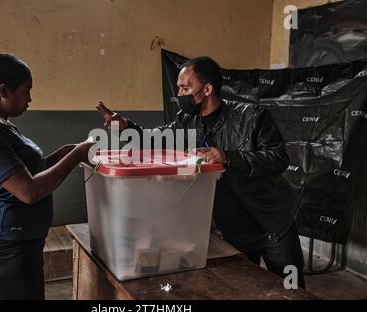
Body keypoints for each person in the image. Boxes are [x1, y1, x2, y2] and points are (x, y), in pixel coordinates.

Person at [95, 56, 306, 288]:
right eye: (178, 87)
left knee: (290, 288)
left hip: (272, 223)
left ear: (207, 89)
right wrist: (126, 127)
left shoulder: (253, 117)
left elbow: (279, 158)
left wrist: (228, 157)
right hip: (234, 226)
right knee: (245, 287)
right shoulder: (187, 120)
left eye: (185, 87)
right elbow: (156, 137)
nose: (179, 93)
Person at [0, 53, 94, 300]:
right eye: (26, 90)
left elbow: (27, 173)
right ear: (3, 91)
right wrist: (76, 156)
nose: (30, 98)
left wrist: (65, 153)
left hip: (20, 242)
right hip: (8, 245)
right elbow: (29, 191)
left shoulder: (1, 125)